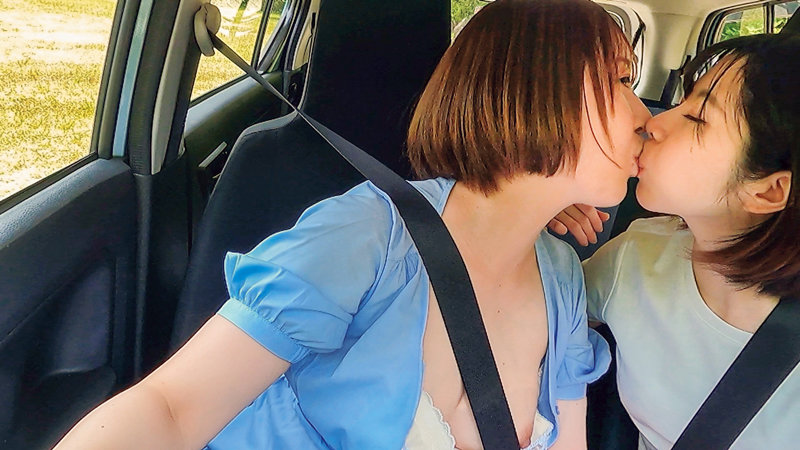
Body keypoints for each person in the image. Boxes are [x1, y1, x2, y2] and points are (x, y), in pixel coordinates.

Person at [55, 1, 650, 448]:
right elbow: (171, 409)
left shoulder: (562, 277)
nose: (644, 113)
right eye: (622, 81)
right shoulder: (365, 238)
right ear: (536, 89)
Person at [551, 33, 800, 449]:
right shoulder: (635, 257)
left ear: (768, 191)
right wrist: (538, 208)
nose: (654, 122)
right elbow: (542, 323)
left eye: (697, 117)